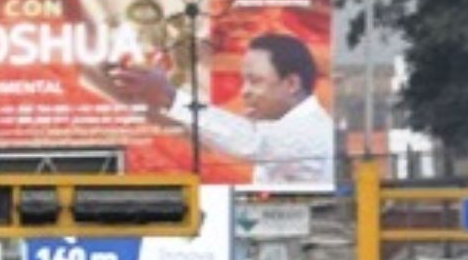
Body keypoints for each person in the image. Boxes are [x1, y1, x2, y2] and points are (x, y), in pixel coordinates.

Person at [105, 33, 335, 185]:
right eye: (244, 81)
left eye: (255, 81)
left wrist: (170, 97)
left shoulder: (311, 130)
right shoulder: (282, 129)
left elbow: (250, 142)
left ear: (292, 84)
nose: (244, 92)